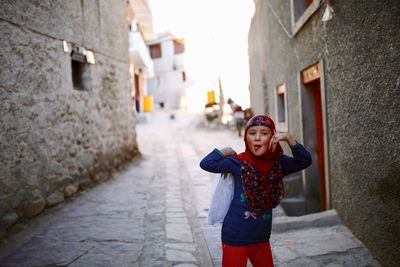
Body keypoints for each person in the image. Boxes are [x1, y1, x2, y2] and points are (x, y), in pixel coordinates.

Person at [199, 115, 312, 267]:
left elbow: (305, 160)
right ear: (246, 137)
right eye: (252, 133)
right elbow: (207, 164)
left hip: (261, 236)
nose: (257, 138)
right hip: (235, 236)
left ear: (272, 137)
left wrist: (289, 139)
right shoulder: (237, 162)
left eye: (264, 133)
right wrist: (224, 151)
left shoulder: (279, 164)